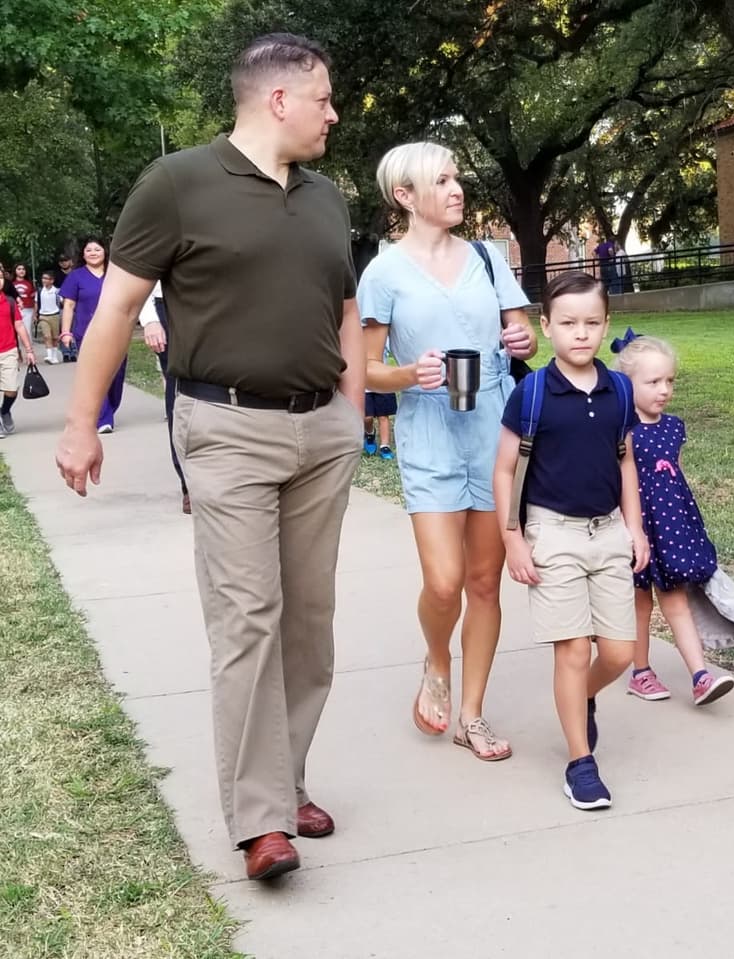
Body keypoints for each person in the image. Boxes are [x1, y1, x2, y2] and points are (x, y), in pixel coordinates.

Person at [55, 32, 364, 883]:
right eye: (325, 98)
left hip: (320, 433)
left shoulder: (327, 197)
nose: (334, 113)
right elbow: (116, 306)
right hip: (226, 429)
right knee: (247, 620)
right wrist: (83, 422)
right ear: (277, 100)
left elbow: (346, 306)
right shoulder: (177, 185)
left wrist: (352, 408)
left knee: (309, 623)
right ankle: (260, 819)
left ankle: (286, 777)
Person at [358, 141, 536, 762]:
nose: (457, 188)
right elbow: (364, 370)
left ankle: (472, 714)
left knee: (485, 582)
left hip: (493, 428)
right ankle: (437, 659)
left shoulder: (488, 257)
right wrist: (410, 375)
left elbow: (524, 331)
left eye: (457, 177)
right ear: (405, 197)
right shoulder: (383, 272)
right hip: (430, 431)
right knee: (444, 582)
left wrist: (520, 338)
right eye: (441, 180)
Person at [493, 271, 649, 810]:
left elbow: (625, 462)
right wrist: (512, 539)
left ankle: (580, 699)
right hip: (551, 533)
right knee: (574, 648)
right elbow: (505, 470)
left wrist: (635, 526)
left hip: (607, 531)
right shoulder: (531, 392)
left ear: (605, 325)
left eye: (590, 323)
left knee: (621, 653)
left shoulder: (620, 390)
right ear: (547, 326)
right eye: (567, 324)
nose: (579, 334)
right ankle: (581, 763)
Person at [611, 330, 734, 706]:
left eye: (669, 380)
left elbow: (677, 476)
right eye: (652, 382)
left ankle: (700, 676)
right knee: (640, 604)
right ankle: (640, 671)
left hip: (671, 527)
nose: (664, 390)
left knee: (675, 598)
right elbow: (615, 480)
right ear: (625, 383)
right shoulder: (621, 430)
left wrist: (687, 523)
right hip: (636, 528)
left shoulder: (673, 427)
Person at [137, 281, 190, 513]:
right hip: (168, 302)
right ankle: (188, 484)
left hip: (216, 299)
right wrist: (149, 319)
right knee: (178, 391)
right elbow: (141, 274)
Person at [59, 239, 123, 431]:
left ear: (105, 252)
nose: (93, 252)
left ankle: (108, 408)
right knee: (96, 375)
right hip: (85, 333)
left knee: (116, 376)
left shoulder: (115, 275)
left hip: (116, 332)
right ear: (83, 254)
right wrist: (65, 332)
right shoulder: (76, 277)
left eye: (97, 249)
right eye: (89, 250)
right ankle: (103, 419)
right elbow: (69, 306)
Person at [0, 292, 38, 436]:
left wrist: (29, 350)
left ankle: (4, 411)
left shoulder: (9, 302)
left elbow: (19, 325)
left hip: (8, 350)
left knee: (11, 389)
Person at [35, 271, 62, 364]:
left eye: (46, 278)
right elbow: (36, 303)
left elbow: (62, 302)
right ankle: (49, 356)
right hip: (43, 316)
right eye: (43, 278)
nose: (44, 280)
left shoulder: (57, 291)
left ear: (52, 281)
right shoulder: (39, 291)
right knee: (47, 336)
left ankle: (54, 356)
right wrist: (36, 315)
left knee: (55, 337)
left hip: (54, 315)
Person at [363, 384, 396, 460]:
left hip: (383, 383)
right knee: (367, 417)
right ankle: (370, 434)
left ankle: (385, 446)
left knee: (383, 416)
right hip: (364, 385)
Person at [11, 264, 35, 343]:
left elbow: (34, 298)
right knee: (15, 331)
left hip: (28, 309)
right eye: (19, 269)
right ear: (15, 270)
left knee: (27, 330)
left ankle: (29, 350)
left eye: (23, 269)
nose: (21, 271)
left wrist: (35, 312)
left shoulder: (30, 283)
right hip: (15, 309)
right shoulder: (11, 283)